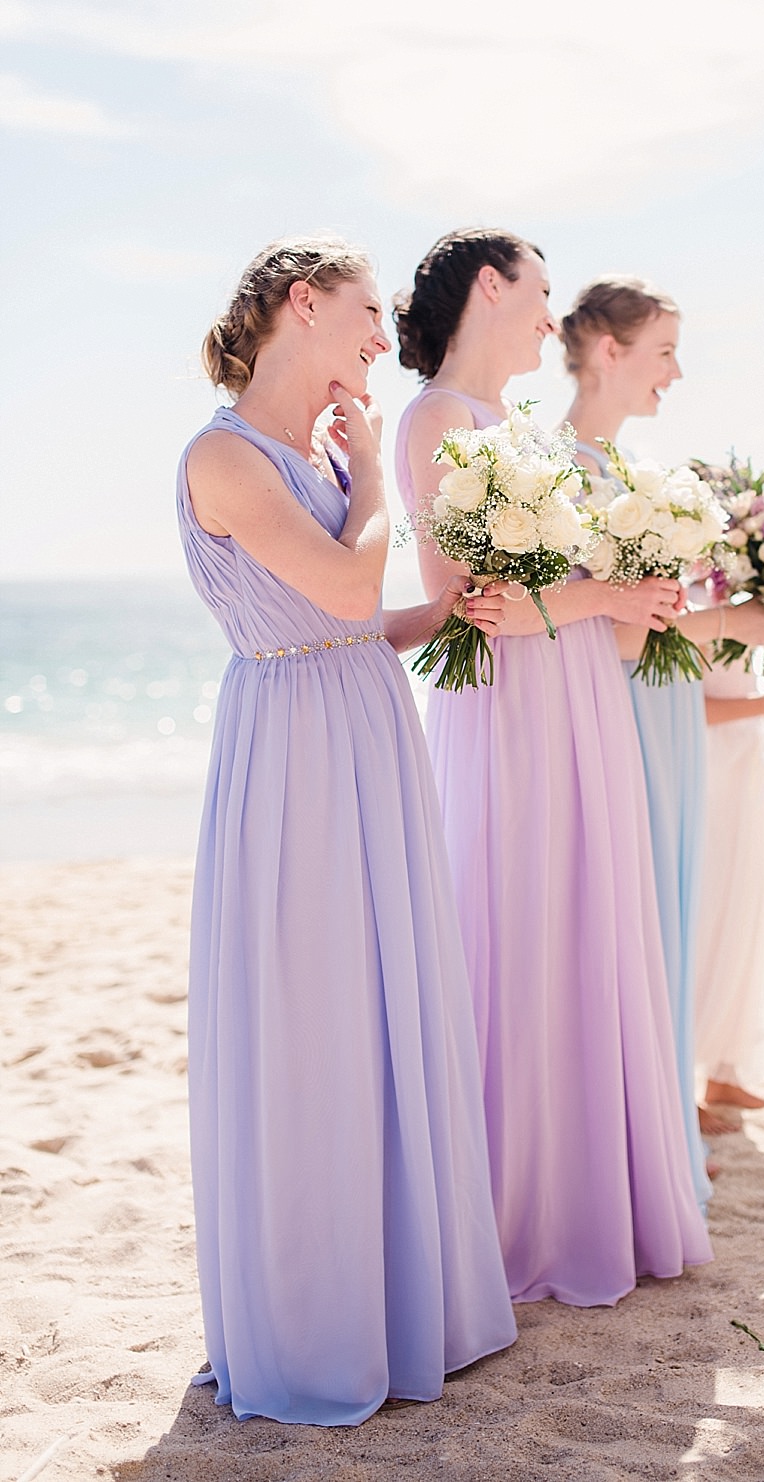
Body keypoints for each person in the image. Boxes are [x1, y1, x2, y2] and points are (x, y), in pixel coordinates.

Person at [177, 236, 516, 1427]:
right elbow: (331, 591)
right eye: (369, 313)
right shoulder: (224, 455)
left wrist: (437, 610)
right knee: (313, 1007)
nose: (382, 338)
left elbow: (360, 619)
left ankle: (399, 1291)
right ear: (302, 305)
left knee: (384, 997)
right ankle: (313, 1313)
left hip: (367, 726)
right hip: (293, 755)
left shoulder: (305, 452)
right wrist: (375, 473)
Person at [394, 228, 711, 1308]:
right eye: (535, 292)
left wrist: (639, 600)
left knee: (587, 929)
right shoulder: (437, 420)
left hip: (583, 703)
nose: (547, 314)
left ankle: (593, 1194)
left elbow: (552, 602)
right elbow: (465, 609)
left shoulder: (515, 428)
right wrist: (609, 596)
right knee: (521, 929)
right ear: (490, 287)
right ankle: (521, 1206)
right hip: (510, 716)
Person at [560, 276, 764, 1191]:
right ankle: (634, 1142)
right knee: (636, 925)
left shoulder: (628, 473)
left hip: (665, 710)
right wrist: (726, 624)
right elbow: (602, 633)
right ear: (608, 351)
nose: (678, 372)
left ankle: (658, 1130)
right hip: (627, 717)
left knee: (667, 921)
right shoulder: (564, 473)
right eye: (663, 351)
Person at [696, 662, 764, 1114]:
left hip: (747, 765)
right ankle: (675, 1083)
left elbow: (763, 702)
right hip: (701, 765)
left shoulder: (749, 598)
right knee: (702, 914)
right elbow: (677, 706)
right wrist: (763, 705)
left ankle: (726, 1075)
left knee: (743, 909)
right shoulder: (681, 598)